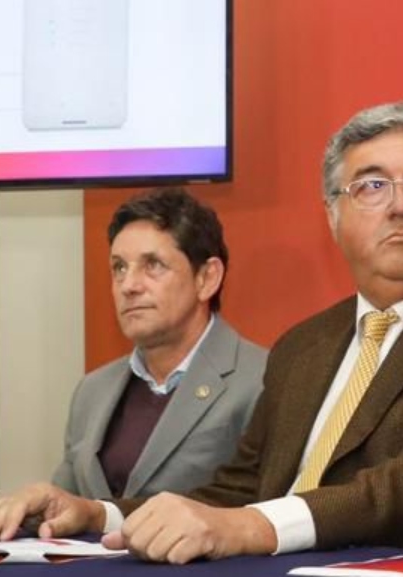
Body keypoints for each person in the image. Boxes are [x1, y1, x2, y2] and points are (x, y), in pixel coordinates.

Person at [0, 101, 403, 561]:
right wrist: (98, 514)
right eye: (371, 186)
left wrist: (252, 528)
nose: (401, 205)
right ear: (333, 216)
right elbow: (240, 490)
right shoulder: (305, 345)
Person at [51, 187, 266, 501]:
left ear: (207, 278)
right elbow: (66, 504)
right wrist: (37, 508)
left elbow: (260, 508)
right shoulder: (92, 391)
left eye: (152, 265)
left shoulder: (263, 382)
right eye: (119, 268)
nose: (129, 286)